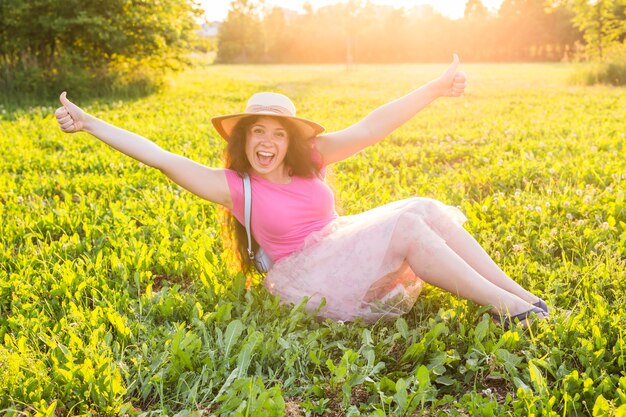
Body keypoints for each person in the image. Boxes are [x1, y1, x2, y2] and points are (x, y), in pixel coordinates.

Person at [55, 55, 549, 327]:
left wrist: (435, 88)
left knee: (422, 208)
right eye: (256, 132)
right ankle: (509, 310)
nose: (266, 142)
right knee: (407, 225)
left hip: (339, 244)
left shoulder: (311, 160)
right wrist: (91, 123)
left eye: (276, 133)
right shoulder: (235, 188)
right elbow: (160, 156)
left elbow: (374, 125)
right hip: (307, 276)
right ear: (242, 138)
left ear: (290, 139)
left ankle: (525, 298)